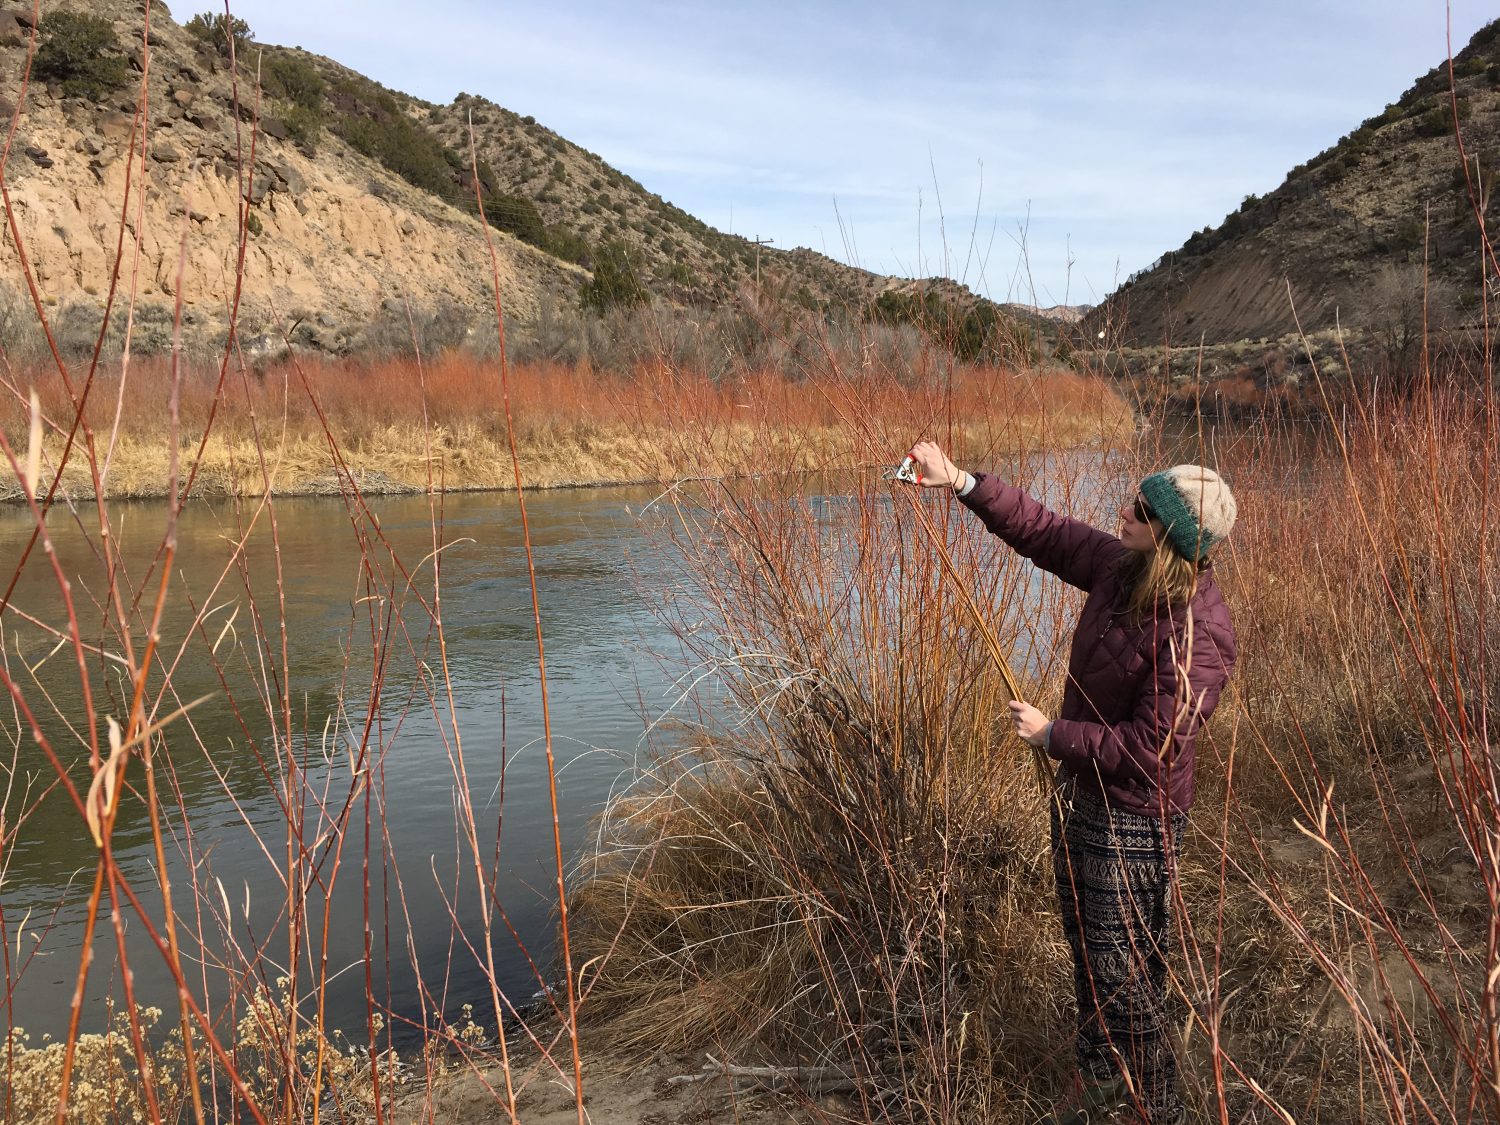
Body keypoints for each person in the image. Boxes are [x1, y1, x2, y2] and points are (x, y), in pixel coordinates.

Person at [905, 441, 1238, 1125]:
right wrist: (961, 481)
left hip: (1137, 818)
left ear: (1172, 536)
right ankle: (1100, 1079)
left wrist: (1053, 735)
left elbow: (1152, 750)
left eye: (1140, 509)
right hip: (1085, 796)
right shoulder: (1122, 568)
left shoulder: (1199, 631)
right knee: (1088, 947)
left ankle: (1160, 1106)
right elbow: (1046, 532)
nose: (1124, 510)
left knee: (1123, 969)